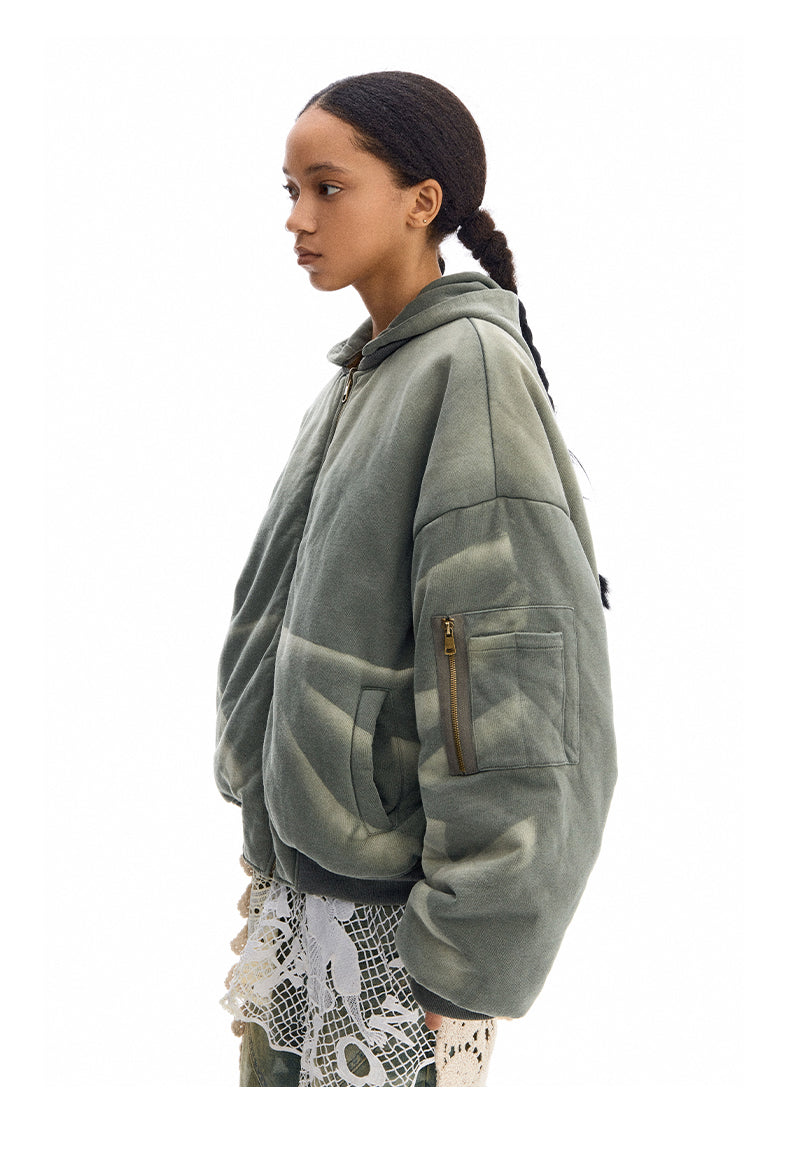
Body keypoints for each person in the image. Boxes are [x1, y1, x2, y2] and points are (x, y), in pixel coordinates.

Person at [216, 71, 617, 1088]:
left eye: (328, 187)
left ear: (420, 201)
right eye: (290, 191)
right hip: (310, 894)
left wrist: (473, 948)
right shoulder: (366, 373)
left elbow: (518, 679)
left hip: (398, 934)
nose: (297, 218)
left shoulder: (467, 372)